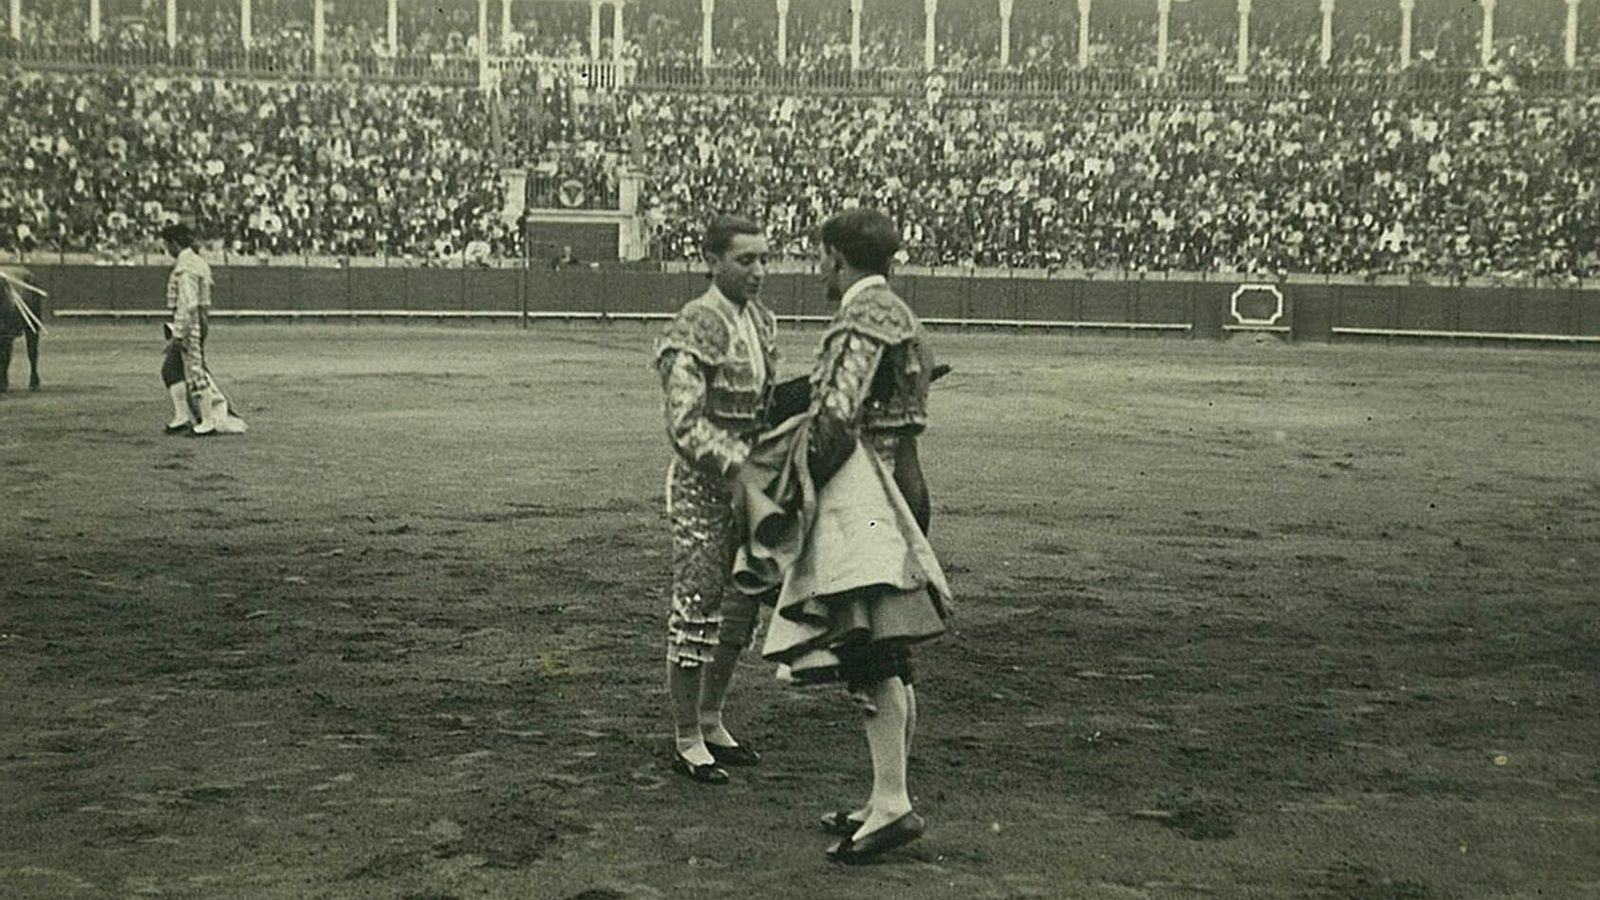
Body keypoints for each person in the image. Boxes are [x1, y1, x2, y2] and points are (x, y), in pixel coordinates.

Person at [804, 208, 941, 863]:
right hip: (906, 480)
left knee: (869, 652)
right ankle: (885, 794)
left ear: (837, 256)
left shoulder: (861, 317)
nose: (820, 269)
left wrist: (800, 483)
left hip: (868, 492)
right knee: (892, 647)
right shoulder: (901, 313)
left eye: (821, 256)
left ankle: (892, 803)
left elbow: (835, 416)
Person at [654, 214, 777, 784]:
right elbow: (685, 424)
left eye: (763, 259)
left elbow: (764, 408)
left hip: (750, 489)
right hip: (704, 489)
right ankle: (686, 736)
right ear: (712, 261)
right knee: (698, 605)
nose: (758, 271)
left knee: (743, 604)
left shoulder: (761, 321)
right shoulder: (695, 324)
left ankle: (711, 716)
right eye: (745, 260)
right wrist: (739, 467)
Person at [161, 223, 247, 436]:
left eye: (167, 245)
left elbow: (188, 303)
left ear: (174, 243)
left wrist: (178, 334)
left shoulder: (185, 266)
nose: (167, 249)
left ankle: (209, 421)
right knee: (172, 369)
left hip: (190, 320)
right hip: (197, 318)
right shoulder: (196, 261)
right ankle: (183, 418)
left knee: (195, 370)